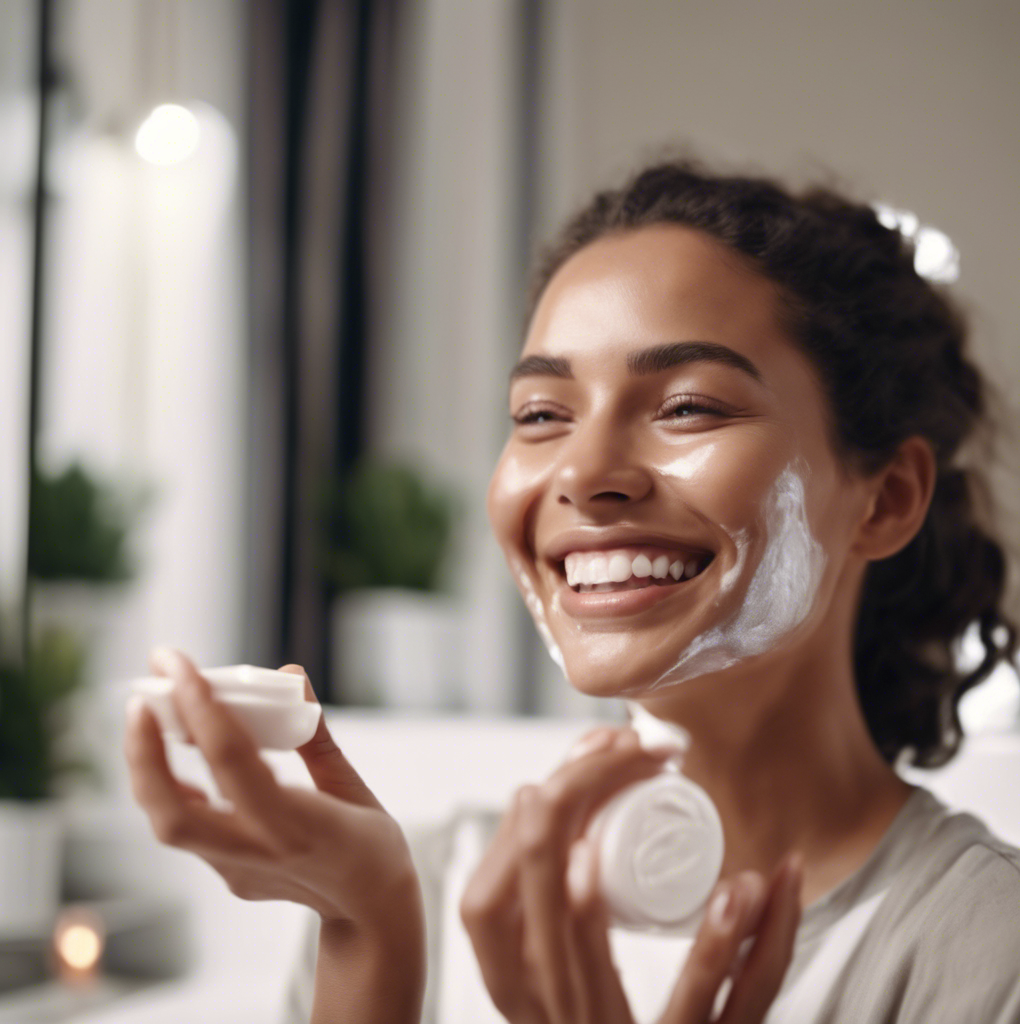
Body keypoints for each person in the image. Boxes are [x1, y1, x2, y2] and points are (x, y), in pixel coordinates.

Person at [125, 160, 1020, 1024]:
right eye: (542, 416)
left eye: (688, 406)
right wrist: (371, 940)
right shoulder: (422, 891)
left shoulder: (985, 953)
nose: (585, 473)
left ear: (887, 498)